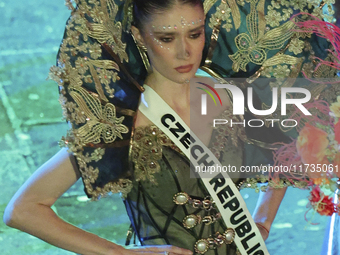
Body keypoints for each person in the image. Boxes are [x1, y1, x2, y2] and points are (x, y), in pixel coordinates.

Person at [5, 0, 329, 254]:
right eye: (166, 38)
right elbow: (24, 209)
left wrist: (263, 220)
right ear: (137, 35)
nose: (184, 52)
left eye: (194, 34)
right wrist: (116, 253)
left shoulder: (231, 97)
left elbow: (294, 143)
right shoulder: (121, 121)